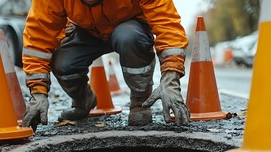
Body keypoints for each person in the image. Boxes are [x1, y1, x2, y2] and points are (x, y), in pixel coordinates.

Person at [22, 0, 190, 131]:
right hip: (86, 30)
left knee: (129, 38)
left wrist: (170, 80)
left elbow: (168, 26)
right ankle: (83, 100)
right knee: (63, 62)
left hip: (130, 28)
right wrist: (38, 93)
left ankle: (140, 101)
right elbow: (38, 39)